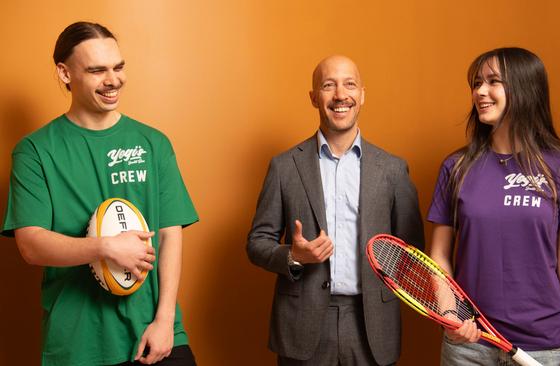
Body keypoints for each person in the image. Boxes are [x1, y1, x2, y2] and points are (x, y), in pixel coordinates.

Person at [1, 22, 198, 365]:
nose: (113, 80)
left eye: (118, 67)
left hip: (155, 333)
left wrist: (166, 321)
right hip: (79, 345)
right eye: (97, 70)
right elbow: (30, 245)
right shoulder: (34, 151)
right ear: (64, 73)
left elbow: (169, 234)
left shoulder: (153, 143)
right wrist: (105, 247)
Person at [247, 55, 424, 365]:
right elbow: (257, 242)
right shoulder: (284, 166)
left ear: (362, 95)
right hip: (302, 324)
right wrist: (293, 256)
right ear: (314, 97)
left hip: (372, 326)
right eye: (328, 85)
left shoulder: (393, 170)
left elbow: (413, 253)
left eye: (349, 84)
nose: (340, 94)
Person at [427, 47, 560, 365]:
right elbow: (439, 256)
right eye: (477, 82)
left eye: (493, 81)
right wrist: (449, 315)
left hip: (543, 346)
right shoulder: (457, 166)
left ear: (524, 88)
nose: (480, 91)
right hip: (469, 345)